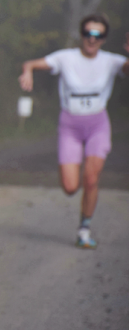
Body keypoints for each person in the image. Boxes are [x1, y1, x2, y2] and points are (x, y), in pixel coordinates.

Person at [18, 15, 129, 249]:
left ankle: (84, 229)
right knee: (70, 187)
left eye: (98, 35)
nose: (92, 38)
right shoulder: (65, 58)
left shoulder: (111, 61)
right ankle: (80, 213)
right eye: (88, 33)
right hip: (70, 125)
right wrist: (27, 72)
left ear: (105, 39)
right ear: (81, 35)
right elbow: (31, 63)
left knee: (91, 178)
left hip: (98, 124)